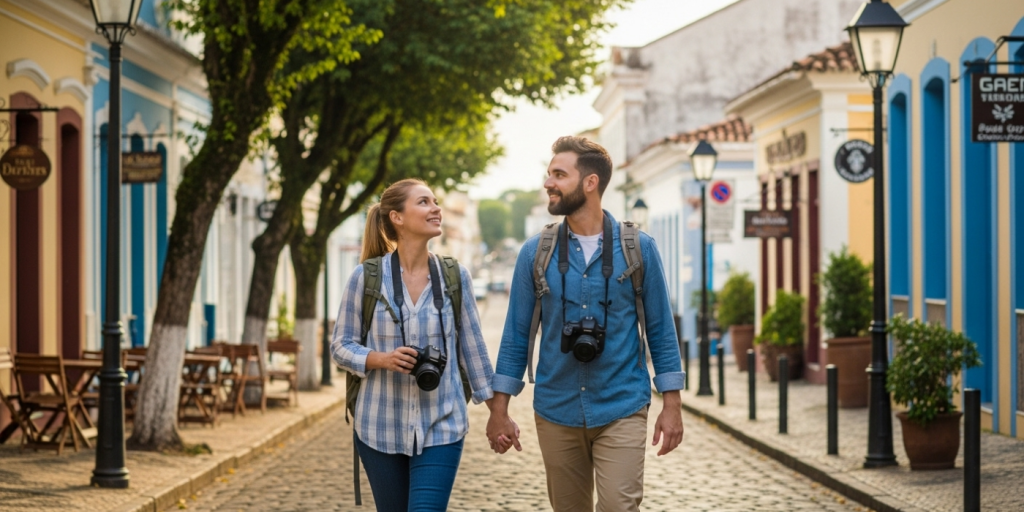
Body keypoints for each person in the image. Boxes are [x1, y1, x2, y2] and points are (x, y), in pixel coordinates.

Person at [486, 136, 686, 512]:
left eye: (559, 174)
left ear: (590, 183)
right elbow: (516, 335)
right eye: (549, 174)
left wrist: (672, 403)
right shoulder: (535, 252)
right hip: (556, 407)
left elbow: (660, 330)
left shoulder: (639, 248)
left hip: (622, 403)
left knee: (618, 506)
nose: (549, 183)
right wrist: (500, 409)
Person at [331, 178, 504, 511]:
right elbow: (340, 345)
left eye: (436, 201)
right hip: (379, 426)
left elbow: (474, 352)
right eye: (424, 202)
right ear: (397, 217)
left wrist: (499, 414)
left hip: (442, 424)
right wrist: (379, 359)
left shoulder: (455, 277)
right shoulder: (365, 278)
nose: (436, 208)